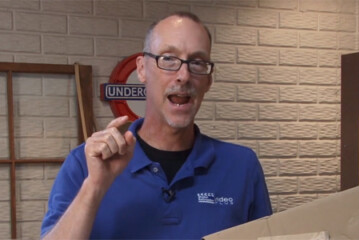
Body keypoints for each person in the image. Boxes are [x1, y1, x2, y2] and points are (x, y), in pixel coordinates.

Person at [41, 11, 272, 239]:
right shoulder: (85, 164)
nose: (184, 75)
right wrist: (94, 187)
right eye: (169, 59)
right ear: (142, 69)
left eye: (198, 62)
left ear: (208, 81)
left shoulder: (242, 166)